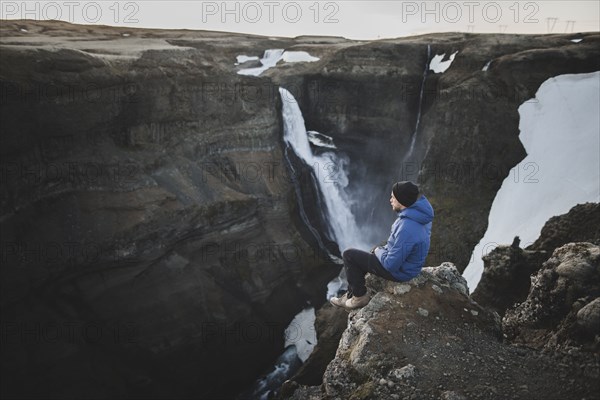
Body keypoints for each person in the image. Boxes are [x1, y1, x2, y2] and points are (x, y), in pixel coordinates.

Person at [330, 181, 434, 310]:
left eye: (393, 197)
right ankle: (349, 294)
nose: (390, 200)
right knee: (366, 255)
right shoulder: (419, 216)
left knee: (349, 255)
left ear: (402, 201)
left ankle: (359, 297)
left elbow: (391, 264)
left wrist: (379, 251)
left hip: (401, 272)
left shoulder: (407, 228)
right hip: (409, 265)